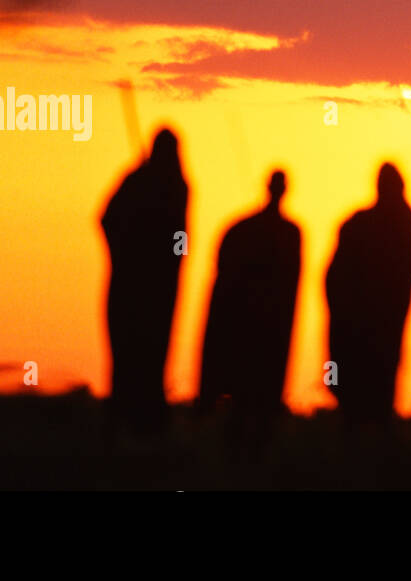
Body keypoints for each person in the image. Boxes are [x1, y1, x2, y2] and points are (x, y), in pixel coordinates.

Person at [199, 170, 302, 457]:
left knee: (252, 402)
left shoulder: (250, 230)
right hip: (254, 333)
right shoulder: (279, 233)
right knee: (249, 401)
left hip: (262, 332)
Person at [101, 128, 187, 438]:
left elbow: (181, 239)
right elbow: (107, 219)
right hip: (139, 288)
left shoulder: (168, 186)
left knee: (147, 356)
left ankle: (141, 425)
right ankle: (128, 424)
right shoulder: (155, 183)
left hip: (153, 290)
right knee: (128, 355)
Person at [325, 163, 411, 427]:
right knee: (365, 393)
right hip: (362, 328)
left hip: (376, 327)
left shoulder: (390, 222)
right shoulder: (362, 224)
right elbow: (335, 278)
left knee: (371, 394)